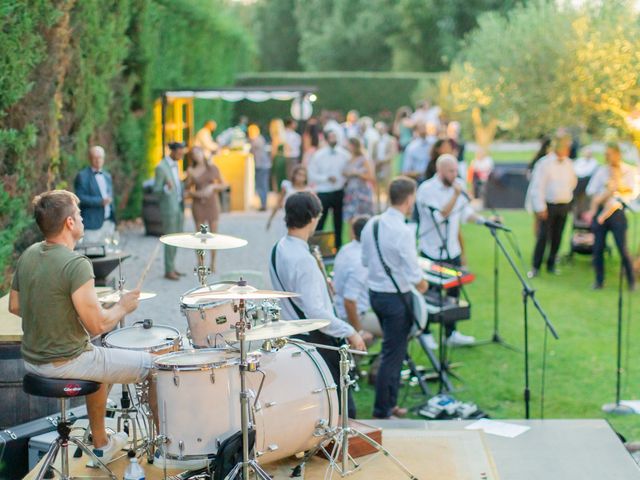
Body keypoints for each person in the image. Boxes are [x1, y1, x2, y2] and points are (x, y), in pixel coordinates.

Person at [8, 190, 150, 466]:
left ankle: (101, 443)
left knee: (103, 359)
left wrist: (53, 313)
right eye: (79, 213)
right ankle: (171, 452)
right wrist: (123, 306)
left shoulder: (29, 254)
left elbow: (15, 305)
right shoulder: (77, 265)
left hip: (33, 362)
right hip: (65, 362)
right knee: (155, 366)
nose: (83, 217)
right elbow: (97, 325)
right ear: (69, 223)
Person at [269, 192, 366, 418]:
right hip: (313, 339)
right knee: (342, 407)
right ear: (313, 218)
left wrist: (322, 283)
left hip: (292, 334)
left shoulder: (280, 247)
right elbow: (317, 314)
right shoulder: (303, 259)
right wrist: (351, 331)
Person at [360, 177, 429, 419]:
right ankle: (382, 410)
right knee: (393, 355)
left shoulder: (372, 224)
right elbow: (413, 273)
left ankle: (389, 405)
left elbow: (365, 261)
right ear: (409, 199)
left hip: (376, 295)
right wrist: (424, 284)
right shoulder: (403, 231)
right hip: (396, 299)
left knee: (393, 351)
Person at [416, 154, 481, 347]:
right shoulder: (427, 190)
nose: (455, 175)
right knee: (429, 294)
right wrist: (455, 194)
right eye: (451, 171)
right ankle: (425, 332)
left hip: (451, 250)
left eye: (455, 171)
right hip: (431, 251)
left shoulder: (458, 186)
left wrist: (483, 221)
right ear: (440, 171)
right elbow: (441, 216)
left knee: (453, 293)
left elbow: (465, 213)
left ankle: (451, 333)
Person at [586, 143, 638, 290]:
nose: (608, 157)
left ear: (618, 154)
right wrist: (603, 195)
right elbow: (591, 190)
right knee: (597, 248)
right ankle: (599, 281)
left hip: (617, 212)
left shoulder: (628, 171)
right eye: (606, 154)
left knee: (623, 248)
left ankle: (631, 281)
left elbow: (632, 192)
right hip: (601, 210)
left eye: (610, 154)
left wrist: (617, 186)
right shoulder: (601, 171)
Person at [527, 133, 577, 277]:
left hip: (564, 204)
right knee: (543, 236)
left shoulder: (569, 164)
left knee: (558, 236)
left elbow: (572, 182)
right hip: (548, 206)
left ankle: (551, 263)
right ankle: (536, 266)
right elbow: (538, 186)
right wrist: (540, 207)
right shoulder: (544, 163)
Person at [333, 216, 378, 343]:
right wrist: (359, 332)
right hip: (352, 317)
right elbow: (349, 302)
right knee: (399, 327)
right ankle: (383, 363)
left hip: (338, 311)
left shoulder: (345, 249)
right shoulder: (361, 261)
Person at [185, 146, 226, 273]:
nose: (197, 155)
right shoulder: (191, 170)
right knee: (200, 237)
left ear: (203, 153)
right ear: (192, 157)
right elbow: (187, 190)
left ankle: (213, 263)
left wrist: (213, 187)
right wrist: (195, 192)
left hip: (212, 204)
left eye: (198, 152)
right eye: (193, 154)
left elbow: (224, 184)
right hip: (198, 205)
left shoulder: (213, 168)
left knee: (213, 235)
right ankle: (200, 262)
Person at [308, 130, 350, 250]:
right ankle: (317, 248)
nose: (333, 139)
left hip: (338, 191)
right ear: (326, 139)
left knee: (338, 222)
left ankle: (338, 248)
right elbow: (312, 174)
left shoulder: (344, 155)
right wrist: (326, 178)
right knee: (320, 222)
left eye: (335, 137)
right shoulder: (319, 155)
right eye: (331, 137)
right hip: (324, 191)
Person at [154, 142, 186, 280]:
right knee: (170, 238)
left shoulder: (176, 165)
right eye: (179, 153)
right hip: (168, 208)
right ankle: (168, 270)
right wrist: (166, 188)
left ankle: (172, 266)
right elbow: (156, 190)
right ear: (172, 152)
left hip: (178, 206)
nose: (181, 156)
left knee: (177, 238)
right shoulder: (161, 167)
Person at [74, 146, 116, 246]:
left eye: (100, 157)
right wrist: (100, 201)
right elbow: (79, 197)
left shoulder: (107, 175)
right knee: (92, 255)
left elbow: (109, 195)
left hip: (108, 222)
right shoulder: (82, 176)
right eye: (95, 157)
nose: (98, 160)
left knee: (109, 253)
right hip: (92, 224)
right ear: (89, 158)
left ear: (104, 159)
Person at [266, 165, 310, 233]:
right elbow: (278, 203)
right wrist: (270, 219)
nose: (300, 177)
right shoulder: (287, 186)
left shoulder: (307, 190)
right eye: (299, 174)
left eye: (303, 175)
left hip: (299, 221)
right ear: (294, 174)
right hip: (285, 218)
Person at [343, 137, 375, 223]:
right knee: (351, 218)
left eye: (348, 144)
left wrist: (357, 173)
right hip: (351, 193)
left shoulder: (364, 159)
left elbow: (371, 176)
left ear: (353, 146)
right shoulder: (349, 159)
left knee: (364, 218)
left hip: (362, 192)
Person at [373, 121, 399, 211]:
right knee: (377, 188)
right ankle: (378, 207)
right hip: (377, 166)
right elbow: (373, 154)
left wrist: (382, 161)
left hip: (386, 166)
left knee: (388, 186)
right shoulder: (375, 141)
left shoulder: (391, 140)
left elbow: (392, 154)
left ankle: (387, 206)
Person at [249, 124, 271, 211]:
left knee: (261, 185)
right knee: (263, 185)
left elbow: (251, 150)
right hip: (263, 165)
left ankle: (263, 204)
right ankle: (263, 203)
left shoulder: (256, 140)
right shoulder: (260, 139)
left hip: (261, 165)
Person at [269, 118, 287, 192]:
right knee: (282, 177)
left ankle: (277, 192)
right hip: (283, 158)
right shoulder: (284, 135)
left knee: (276, 177)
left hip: (277, 158)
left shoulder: (275, 137)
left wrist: (271, 158)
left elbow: (274, 151)